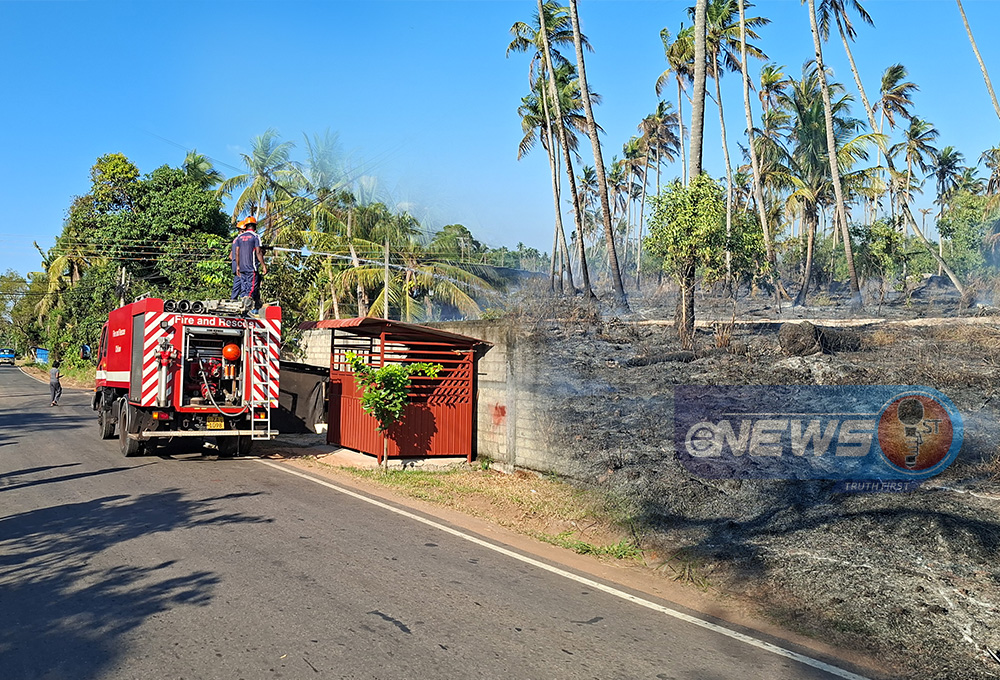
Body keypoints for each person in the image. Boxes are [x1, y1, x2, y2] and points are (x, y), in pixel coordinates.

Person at [230, 216, 267, 302]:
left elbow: (236, 253)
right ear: (255, 226)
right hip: (251, 267)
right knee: (252, 287)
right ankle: (247, 302)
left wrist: (238, 266)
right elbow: (258, 252)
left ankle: (243, 302)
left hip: (241, 268)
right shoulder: (255, 236)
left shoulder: (239, 238)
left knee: (244, 288)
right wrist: (263, 266)